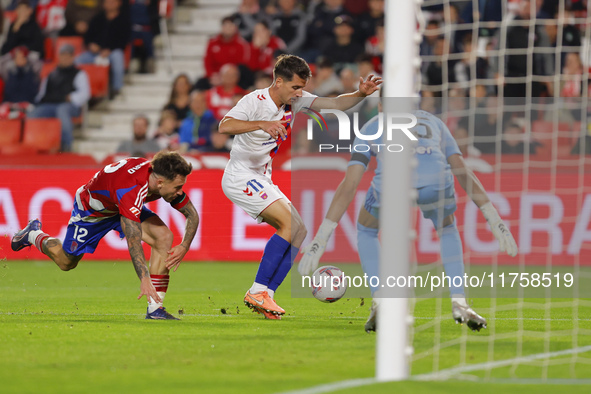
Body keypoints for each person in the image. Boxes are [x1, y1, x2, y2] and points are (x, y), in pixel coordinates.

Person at [299, 105, 518, 332]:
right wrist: (494, 219)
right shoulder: (434, 122)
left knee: (366, 229)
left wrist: (321, 237)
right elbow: (462, 170)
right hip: (437, 183)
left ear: (382, 106)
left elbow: (350, 184)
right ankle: (459, 302)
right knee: (447, 229)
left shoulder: (371, 126)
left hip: (393, 185)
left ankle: (380, 301)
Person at [219, 54, 381, 319]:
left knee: (300, 231)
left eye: (301, 88)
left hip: (261, 176)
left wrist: (360, 94)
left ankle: (266, 296)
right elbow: (224, 125)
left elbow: (335, 103)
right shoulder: (255, 101)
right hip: (240, 175)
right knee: (290, 226)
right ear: (279, 81)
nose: (299, 93)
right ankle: (257, 290)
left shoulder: (296, 100)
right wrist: (262, 123)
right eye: (295, 87)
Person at [11, 151, 199, 320]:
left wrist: (184, 246)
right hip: (92, 211)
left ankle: (156, 310)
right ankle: (33, 234)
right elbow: (133, 239)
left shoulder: (160, 180)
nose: (180, 191)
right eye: (178, 187)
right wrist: (144, 279)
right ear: (160, 182)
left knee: (163, 237)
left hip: (119, 206)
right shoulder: (130, 188)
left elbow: (192, 215)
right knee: (66, 262)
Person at [28, 43, 90, 152]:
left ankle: (66, 145)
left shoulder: (79, 73)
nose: (64, 58)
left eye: (67, 56)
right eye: (62, 55)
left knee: (62, 110)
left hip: (70, 106)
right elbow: (41, 94)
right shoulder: (51, 74)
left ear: (72, 57)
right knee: (34, 113)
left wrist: (70, 97)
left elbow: (85, 93)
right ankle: (33, 144)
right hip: (50, 105)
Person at [76, 0, 131, 97]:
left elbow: (124, 40)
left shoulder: (124, 20)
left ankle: (117, 88)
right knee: (77, 60)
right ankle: (76, 88)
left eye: (113, 2)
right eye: (107, 2)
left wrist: (109, 49)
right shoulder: (97, 18)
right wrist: (91, 45)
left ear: (119, 3)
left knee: (118, 57)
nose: (110, 4)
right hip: (95, 52)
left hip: (113, 52)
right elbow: (88, 37)